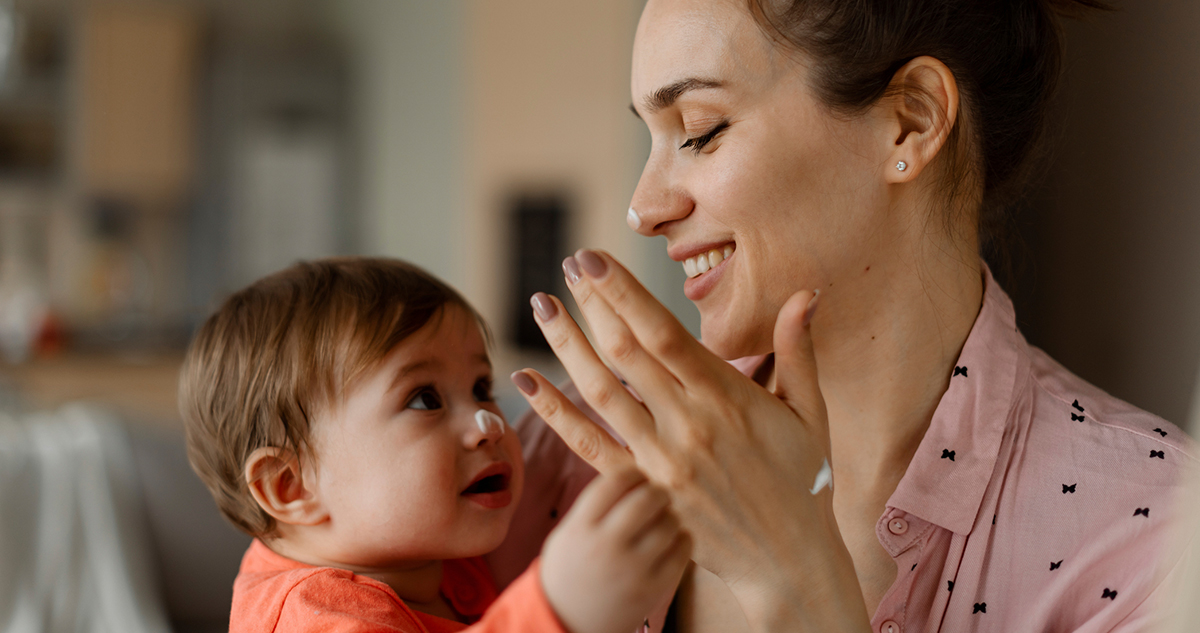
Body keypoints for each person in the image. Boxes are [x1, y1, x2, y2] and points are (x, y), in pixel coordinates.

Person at [488, 0, 1198, 631]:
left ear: (907, 122)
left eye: (699, 130)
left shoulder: (1159, 537)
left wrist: (793, 577)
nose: (642, 209)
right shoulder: (563, 465)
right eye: (650, 134)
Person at [178, 258, 691, 633]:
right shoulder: (313, 616)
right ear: (292, 487)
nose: (488, 422)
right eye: (424, 400)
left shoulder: (425, 549)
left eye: (481, 388)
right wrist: (556, 607)